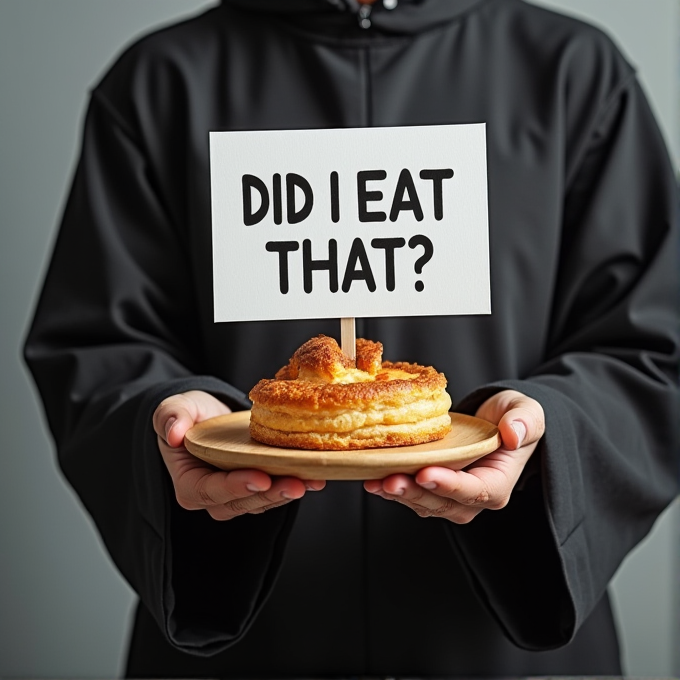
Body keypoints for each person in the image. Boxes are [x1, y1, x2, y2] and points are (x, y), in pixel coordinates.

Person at [24, 0, 679, 676]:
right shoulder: (160, 81)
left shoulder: (574, 72)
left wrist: (550, 438)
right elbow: (96, 345)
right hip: (250, 651)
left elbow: (654, 345)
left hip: (498, 650)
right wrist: (170, 427)